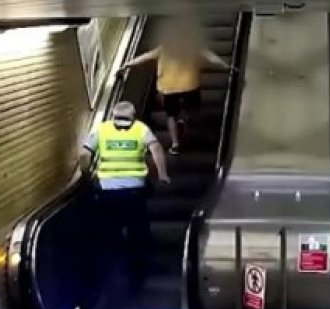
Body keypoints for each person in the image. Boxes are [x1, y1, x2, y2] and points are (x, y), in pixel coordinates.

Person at [83, 100, 170, 289]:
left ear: (113, 115)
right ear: (133, 116)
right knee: (138, 231)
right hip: (134, 192)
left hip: (107, 192)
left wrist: (86, 176)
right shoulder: (140, 128)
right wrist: (162, 174)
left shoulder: (102, 129)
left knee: (109, 231)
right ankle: (138, 272)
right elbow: (156, 148)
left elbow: (84, 154)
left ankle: (109, 273)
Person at [118, 17, 234, 155]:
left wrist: (127, 65)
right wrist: (227, 67)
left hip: (168, 88)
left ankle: (175, 144)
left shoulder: (164, 48)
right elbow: (211, 57)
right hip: (189, 85)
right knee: (193, 109)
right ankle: (185, 119)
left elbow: (145, 57)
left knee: (170, 115)